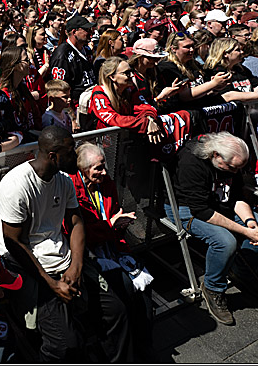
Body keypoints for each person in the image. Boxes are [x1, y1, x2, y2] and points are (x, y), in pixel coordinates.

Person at [0, 125, 130, 362]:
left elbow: (77, 223)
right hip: (33, 268)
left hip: (63, 261)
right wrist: (51, 283)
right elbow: (13, 243)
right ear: (53, 156)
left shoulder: (64, 182)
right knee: (64, 344)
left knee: (117, 311)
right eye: (70, 152)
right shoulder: (16, 185)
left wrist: (76, 267)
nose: (75, 156)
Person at [167, 132, 258, 326]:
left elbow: (235, 197)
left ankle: (241, 272)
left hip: (217, 201)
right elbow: (201, 211)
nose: (235, 173)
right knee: (225, 242)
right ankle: (213, 288)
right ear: (216, 155)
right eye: (232, 168)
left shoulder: (231, 162)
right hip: (186, 209)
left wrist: (250, 223)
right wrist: (244, 231)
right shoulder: (191, 163)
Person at [70, 142, 154, 360]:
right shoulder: (71, 190)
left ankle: (144, 348)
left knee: (145, 291)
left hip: (112, 244)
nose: (104, 172)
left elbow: (113, 212)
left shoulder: (106, 184)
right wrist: (109, 225)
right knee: (123, 290)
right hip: (87, 253)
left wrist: (119, 222)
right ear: (82, 169)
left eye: (104, 166)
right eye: (98, 168)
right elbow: (78, 233)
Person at [48, 15, 97, 106]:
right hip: (76, 105)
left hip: (91, 98)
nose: (91, 33)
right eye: (86, 30)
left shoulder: (86, 49)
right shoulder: (62, 54)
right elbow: (59, 88)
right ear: (74, 32)